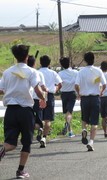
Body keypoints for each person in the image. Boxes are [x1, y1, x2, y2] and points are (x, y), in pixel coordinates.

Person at [0, 44, 46, 179]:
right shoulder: (32, 72)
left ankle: (3, 149)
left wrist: (10, 90)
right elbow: (37, 90)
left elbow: (1, 89)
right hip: (25, 110)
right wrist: (43, 99)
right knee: (26, 142)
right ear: (27, 56)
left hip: (10, 111)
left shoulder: (7, 72)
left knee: (10, 143)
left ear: (15, 57)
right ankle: (20, 171)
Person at [75, 52, 106, 151]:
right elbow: (104, 84)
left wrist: (79, 93)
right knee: (94, 122)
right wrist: (101, 92)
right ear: (94, 59)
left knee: (84, 118)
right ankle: (91, 142)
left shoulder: (81, 72)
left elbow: (76, 85)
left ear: (85, 60)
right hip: (95, 98)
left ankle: (84, 129)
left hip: (84, 98)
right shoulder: (98, 71)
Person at [38, 55, 62, 148]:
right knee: (47, 119)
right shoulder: (53, 73)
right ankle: (44, 137)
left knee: (39, 117)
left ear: (40, 63)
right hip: (50, 95)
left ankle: (40, 128)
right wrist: (56, 89)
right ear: (49, 63)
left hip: (38, 96)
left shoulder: (37, 72)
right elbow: (60, 83)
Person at [27, 55, 47, 143]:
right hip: (37, 99)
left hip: (26, 100)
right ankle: (40, 129)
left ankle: (28, 136)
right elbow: (43, 88)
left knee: (28, 119)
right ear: (34, 63)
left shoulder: (24, 72)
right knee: (39, 120)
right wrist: (44, 99)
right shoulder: (38, 73)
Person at [58, 57, 78, 138]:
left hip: (64, 94)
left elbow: (58, 84)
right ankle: (69, 129)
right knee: (69, 113)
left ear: (61, 65)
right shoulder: (75, 72)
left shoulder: (60, 74)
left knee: (66, 113)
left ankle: (70, 130)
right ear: (69, 63)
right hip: (72, 93)